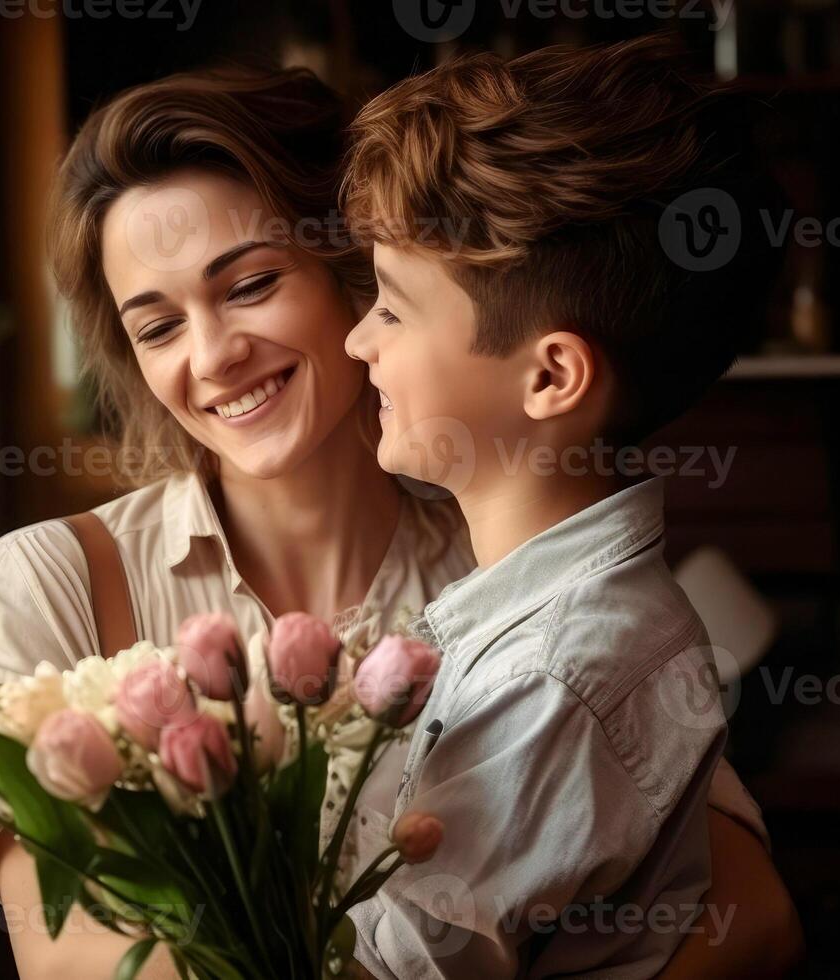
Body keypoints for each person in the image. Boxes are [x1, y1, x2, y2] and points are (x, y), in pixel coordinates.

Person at [0, 66, 797, 978]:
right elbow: (77, 960)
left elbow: (752, 914)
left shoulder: (517, 567)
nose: (213, 356)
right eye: (158, 327)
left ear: (355, 268)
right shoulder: (47, 584)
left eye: (251, 284)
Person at [339, 35, 793, 978]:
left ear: (549, 375)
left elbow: (404, 969)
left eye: (391, 308)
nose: (355, 341)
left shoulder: (557, 672)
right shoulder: (530, 614)